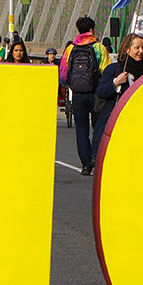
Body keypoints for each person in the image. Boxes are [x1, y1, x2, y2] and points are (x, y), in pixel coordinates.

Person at [59, 16, 109, 176]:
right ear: (92, 30)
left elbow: (63, 76)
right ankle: (95, 156)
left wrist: (73, 86)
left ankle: (85, 165)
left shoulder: (70, 49)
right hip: (96, 94)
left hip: (78, 95)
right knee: (98, 127)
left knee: (81, 130)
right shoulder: (99, 48)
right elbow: (106, 72)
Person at [92, 33, 143, 150]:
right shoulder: (114, 69)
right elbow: (100, 92)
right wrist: (115, 83)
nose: (140, 51)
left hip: (137, 123)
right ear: (127, 50)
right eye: (136, 48)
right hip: (115, 123)